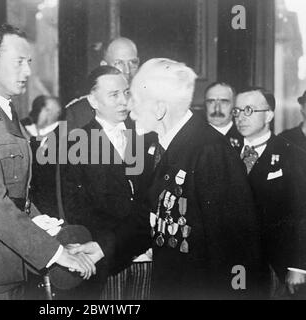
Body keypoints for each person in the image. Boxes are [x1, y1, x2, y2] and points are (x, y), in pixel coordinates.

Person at [69, 58, 265, 299]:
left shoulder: (209, 151)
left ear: (160, 108)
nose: (129, 110)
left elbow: (237, 248)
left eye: (136, 102)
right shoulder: (170, 149)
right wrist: (101, 248)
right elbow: (148, 219)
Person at [0, 23, 95, 300]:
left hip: (7, 264)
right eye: (19, 62)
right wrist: (56, 253)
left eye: (29, 62)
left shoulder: (4, 113)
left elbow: (17, 195)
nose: (27, 71)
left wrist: (50, 233)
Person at [62, 65, 152, 300]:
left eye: (126, 93)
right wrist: (113, 244)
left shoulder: (146, 135)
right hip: (106, 260)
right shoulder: (77, 144)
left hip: (148, 257)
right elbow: (78, 210)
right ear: (93, 100)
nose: (124, 101)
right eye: (114, 95)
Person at [234, 87, 306, 298]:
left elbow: (302, 213)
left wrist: (298, 266)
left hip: (276, 265)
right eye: (237, 111)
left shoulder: (292, 154)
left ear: (269, 115)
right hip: (236, 263)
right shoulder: (226, 153)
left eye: (249, 110)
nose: (240, 117)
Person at [66, 37, 140, 131]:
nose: (127, 70)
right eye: (119, 63)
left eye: (133, 62)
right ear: (104, 65)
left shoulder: (149, 105)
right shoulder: (78, 112)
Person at [204, 82, 243, 152]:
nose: (217, 109)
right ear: (205, 105)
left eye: (224, 102)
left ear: (234, 105)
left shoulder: (245, 137)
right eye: (211, 102)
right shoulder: (192, 137)